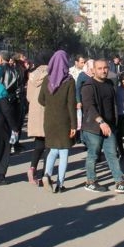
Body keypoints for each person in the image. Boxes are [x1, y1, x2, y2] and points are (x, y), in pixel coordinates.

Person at [80, 58, 124, 193]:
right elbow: (89, 106)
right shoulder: (88, 85)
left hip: (110, 126)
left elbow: (113, 104)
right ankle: (90, 181)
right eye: (100, 68)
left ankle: (120, 182)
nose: (103, 71)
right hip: (93, 127)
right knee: (93, 154)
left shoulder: (110, 83)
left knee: (112, 154)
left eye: (105, 68)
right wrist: (101, 122)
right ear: (93, 70)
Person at [38, 50, 78, 193]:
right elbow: (71, 104)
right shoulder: (69, 81)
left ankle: (47, 174)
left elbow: (40, 100)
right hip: (64, 120)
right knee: (64, 152)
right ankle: (60, 184)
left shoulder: (46, 80)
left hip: (49, 120)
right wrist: (74, 124)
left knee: (53, 150)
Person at [26, 58, 49, 185]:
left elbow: (29, 97)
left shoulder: (32, 75)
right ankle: (46, 173)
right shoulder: (51, 74)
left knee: (39, 143)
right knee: (49, 145)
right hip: (47, 110)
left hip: (35, 110)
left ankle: (32, 167)